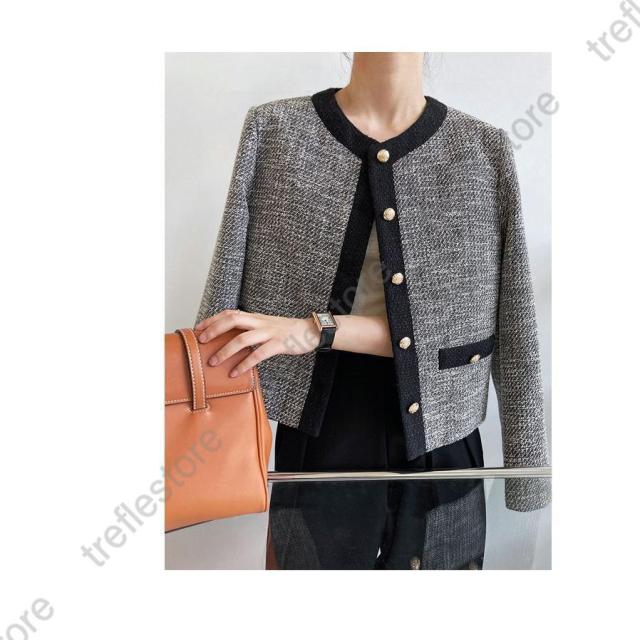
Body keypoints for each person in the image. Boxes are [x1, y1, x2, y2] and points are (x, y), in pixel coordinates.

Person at [195, 52, 550, 569]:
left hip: (443, 433)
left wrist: (527, 471)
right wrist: (204, 437)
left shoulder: (481, 150)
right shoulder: (275, 132)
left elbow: (514, 321)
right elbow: (225, 302)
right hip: (319, 424)